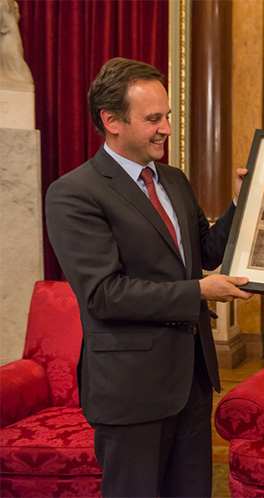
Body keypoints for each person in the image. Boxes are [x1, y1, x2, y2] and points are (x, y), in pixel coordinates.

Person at [45, 57, 252, 498]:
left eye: (168, 117)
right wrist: (198, 291)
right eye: (153, 119)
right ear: (111, 121)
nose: (167, 129)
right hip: (131, 388)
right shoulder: (74, 193)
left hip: (191, 379)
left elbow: (207, 251)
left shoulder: (174, 180)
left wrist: (239, 205)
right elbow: (104, 295)